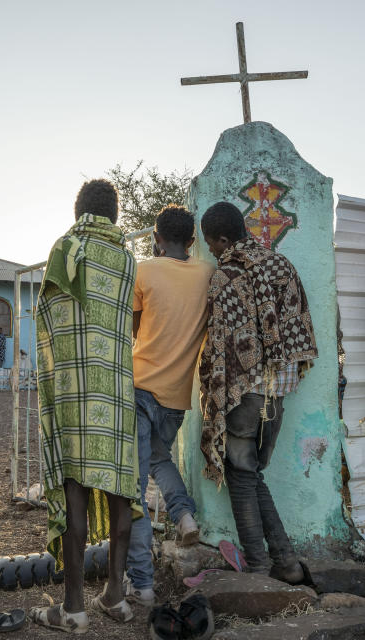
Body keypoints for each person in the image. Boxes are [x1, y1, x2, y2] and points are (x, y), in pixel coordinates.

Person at [29, 179, 139, 633]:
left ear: (78, 212)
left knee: (73, 485)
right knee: (120, 489)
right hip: (117, 388)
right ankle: (115, 594)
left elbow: (48, 314)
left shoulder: (68, 246)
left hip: (76, 388)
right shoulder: (129, 258)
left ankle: (72, 607)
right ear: (114, 214)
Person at [198, 201, 319, 585]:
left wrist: (217, 397)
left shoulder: (226, 278)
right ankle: (285, 561)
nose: (212, 253)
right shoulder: (281, 265)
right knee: (252, 475)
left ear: (221, 239)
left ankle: (258, 565)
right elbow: (300, 323)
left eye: (211, 245)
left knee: (242, 476)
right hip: (277, 396)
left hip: (244, 397)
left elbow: (221, 348)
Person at [125, 205, 215, 605]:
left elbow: (133, 327)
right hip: (177, 397)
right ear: (193, 241)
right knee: (160, 458)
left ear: (156, 238)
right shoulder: (206, 274)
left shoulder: (144, 271)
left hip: (141, 386)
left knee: (133, 487)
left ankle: (141, 584)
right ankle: (183, 514)